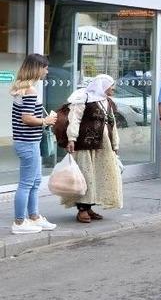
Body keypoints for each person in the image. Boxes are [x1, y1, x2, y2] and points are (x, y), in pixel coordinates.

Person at [64, 74, 124, 224]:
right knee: (85, 175)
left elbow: (113, 124)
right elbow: (74, 119)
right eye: (111, 85)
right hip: (86, 143)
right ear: (102, 85)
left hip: (104, 146)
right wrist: (72, 138)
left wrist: (115, 144)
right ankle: (82, 209)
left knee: (97, 175)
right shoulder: (83, 98)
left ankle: (90, 206)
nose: (113, 88)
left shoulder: (108, 102)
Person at [9, 54, 58, 234]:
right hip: (28, 142)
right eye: (45, 67)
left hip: (28, 142)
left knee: (35, 181)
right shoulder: (30, 90)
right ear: (37, 68)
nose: (47, 71)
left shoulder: (23, 88)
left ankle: (34, 217)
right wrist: (47, 120)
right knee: (27, 183)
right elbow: (27, 119)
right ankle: (20, 222)